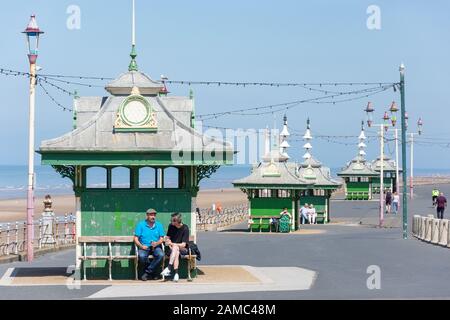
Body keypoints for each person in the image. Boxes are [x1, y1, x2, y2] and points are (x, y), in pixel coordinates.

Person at [134, 208, 166, 281]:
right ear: (147, 215)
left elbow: (161, 238)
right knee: (142, 256)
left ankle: (147, 273)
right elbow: (135, 238)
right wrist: (141, 246)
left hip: (156, 246)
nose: (153, 217)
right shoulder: (141, 225)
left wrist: (156, 243)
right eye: (151, 215)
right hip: (144, 246)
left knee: (161, 255)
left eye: (154, 215)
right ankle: (153, 273)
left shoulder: (159, 225)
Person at [161, 213, 190, 282]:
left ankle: (169, 268)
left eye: (172, 220)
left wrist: (173, 244)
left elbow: (183, 244)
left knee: (176, 247)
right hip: (173, 249)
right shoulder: (171, 226)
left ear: (177, 221)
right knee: (176, 251)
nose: (171, 222)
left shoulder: (185, 228)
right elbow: (168, 237)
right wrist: (168, 242)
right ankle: (176, 274)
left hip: (183, 249)